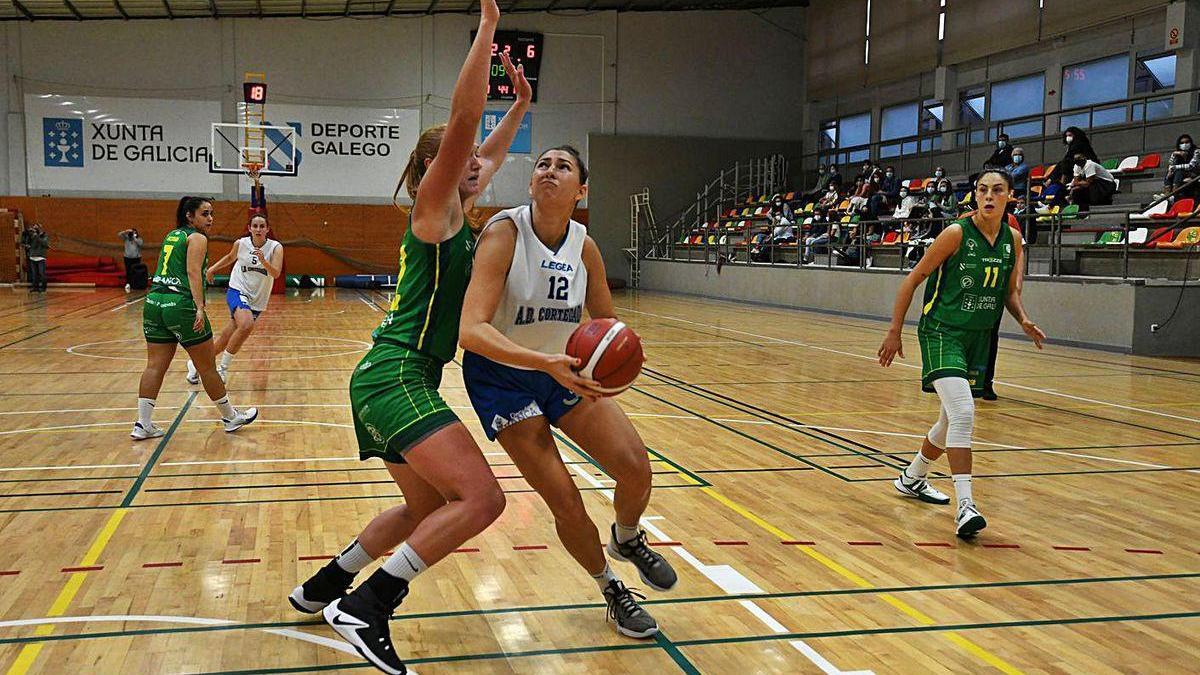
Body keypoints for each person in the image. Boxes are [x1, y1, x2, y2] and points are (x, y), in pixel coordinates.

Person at [294, 8, 531, 673]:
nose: (478, 162)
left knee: (423, 507)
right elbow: (462, 125)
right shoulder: (435, 210)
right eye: (461, 158)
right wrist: (487, 29)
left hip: (391, 375)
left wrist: (522, 107)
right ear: (434, 167)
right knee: (483, 499)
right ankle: (368, 605)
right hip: (396, 373)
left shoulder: (458, 208)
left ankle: (323, 585)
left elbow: (483, 149)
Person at [458, 145, 677, 639]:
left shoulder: (585, 245)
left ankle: (626, 537)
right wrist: (545, 364)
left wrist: (617, 353)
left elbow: (606, 320)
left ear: (581, 191)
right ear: (532, 183)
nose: (548, 170)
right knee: (564, 497)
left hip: (564, 369)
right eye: (542, 164)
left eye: (562, 166)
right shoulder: (503, 234)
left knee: (636, 467)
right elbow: (470, 331)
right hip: (503, 376)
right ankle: (611, 587)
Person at [877, 169, 1045, 538]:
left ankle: (912, 477)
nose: (988, 196)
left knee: (949, 420)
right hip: (942, 332)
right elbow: (913, 278)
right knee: (965, 412)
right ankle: (966, 506)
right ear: (975, 195)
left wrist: (1025, 320)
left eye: (997, 190)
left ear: (1009, 197)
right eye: (982, 190)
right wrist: (894, 331)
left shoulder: (1013, 240)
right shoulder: (956, 233)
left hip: (978, 337)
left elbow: (1009, 293)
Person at [134, 196, 258, 440]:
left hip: (154, 302)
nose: (210, 219)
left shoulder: (172, 235)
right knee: (207, 367)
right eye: (204, 214)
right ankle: (230, 417)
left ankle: (142, 424)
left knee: (154, 366)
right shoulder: (197, 237)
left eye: (211, 213)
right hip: (180, 305)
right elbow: (192, 272)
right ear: (189, 216)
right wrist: (199, 307)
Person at [185, 214, 283, 384]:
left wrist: (263, 261)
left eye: (262, 226)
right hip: (238, 289)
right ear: (249, 228)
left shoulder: (275, 248)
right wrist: (211, 270)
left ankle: (195, 364)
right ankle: (222, 369)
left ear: (267, 229)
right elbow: (230, 258)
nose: (258, 229)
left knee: (225, 339)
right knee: (246, 324)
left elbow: (276, 273)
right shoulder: (241, 243)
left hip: (257, 299)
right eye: (255, 226)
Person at [1158, 134, 1200, 200]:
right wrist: (1174, 154)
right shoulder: (1178, 153)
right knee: (1169, 173)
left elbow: (1191, 166)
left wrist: (1174, 167)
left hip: (1194, 174)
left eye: (1187, 142)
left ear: (1191, 143)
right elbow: (1171, 164)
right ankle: (1167, 194)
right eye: (1182, 143)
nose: (1185, 144)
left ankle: (1173, 195)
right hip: (1183, 174)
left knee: (1178, 171)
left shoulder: (1196, 151)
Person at [21, 223, 49, 292]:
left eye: (36, 228)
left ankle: (43, 287)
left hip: (40, 257)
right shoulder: (32, 236)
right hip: (32, 256)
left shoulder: (44, 235)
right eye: (34, 228)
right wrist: (26, 235)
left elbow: (45, 244)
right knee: (34, 274)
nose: (35, 230)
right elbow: (25, 242)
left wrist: (37, 236)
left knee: (41, 273)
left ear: (40, 228)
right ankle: (35, 287)